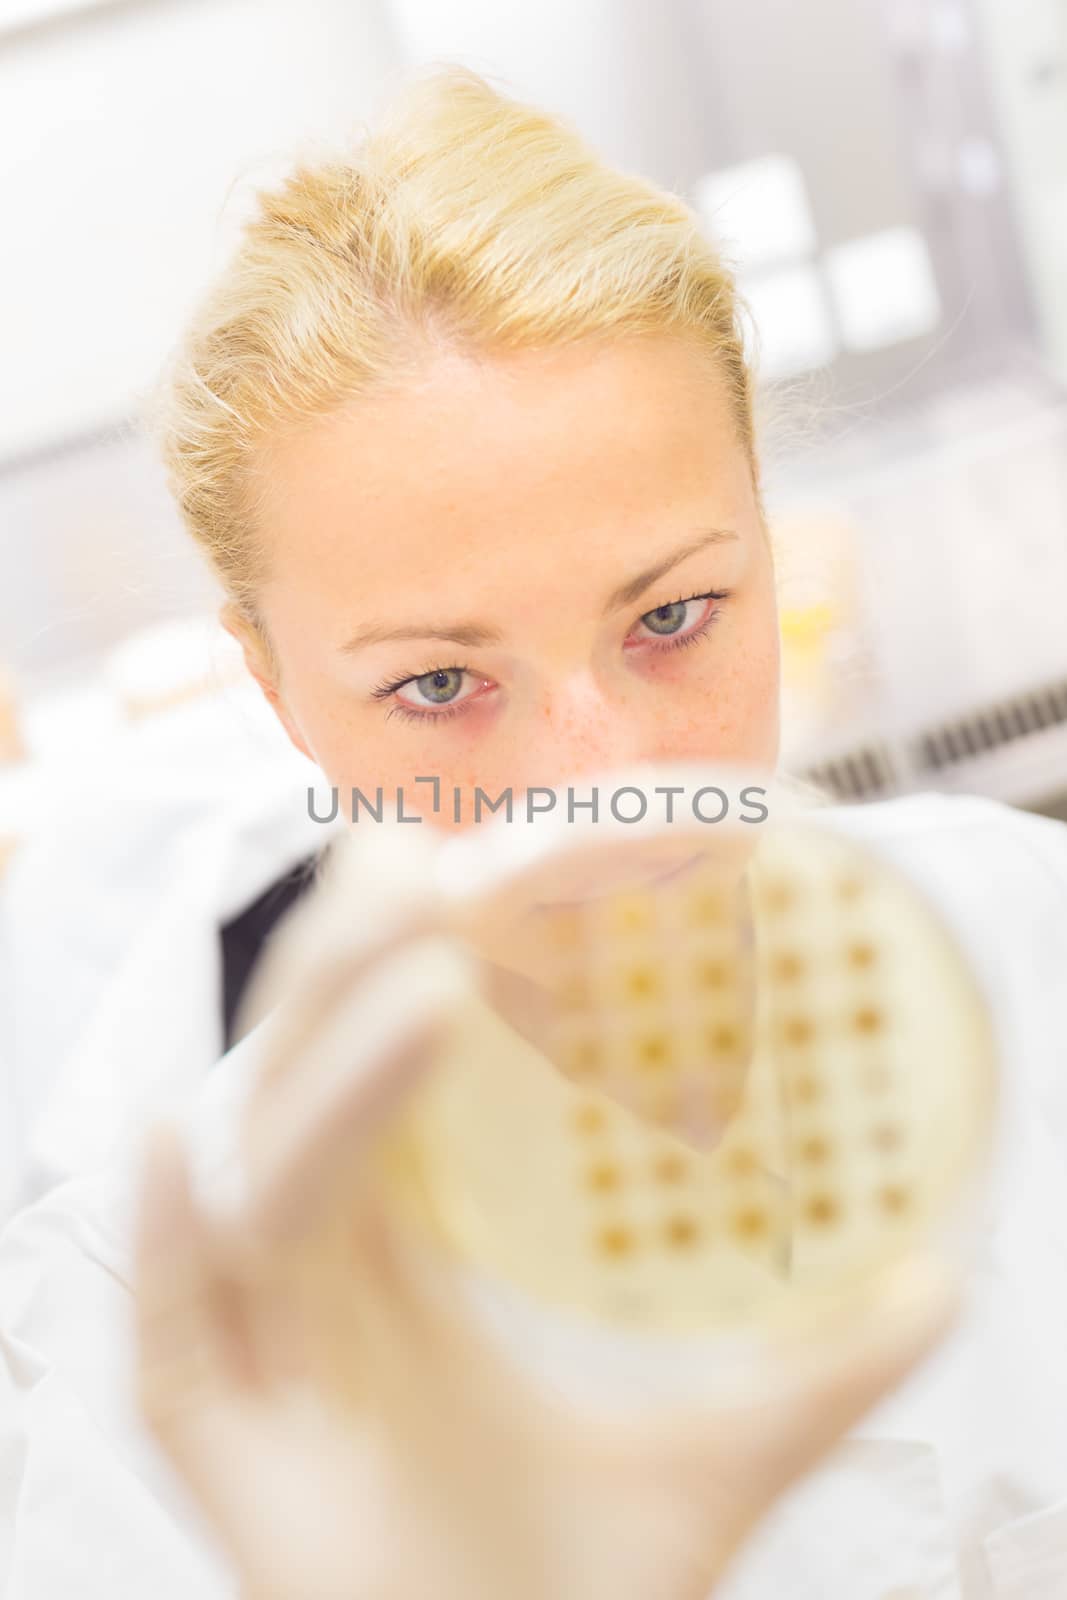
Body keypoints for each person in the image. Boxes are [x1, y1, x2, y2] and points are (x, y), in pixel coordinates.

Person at [2, 63, 1067, 1599]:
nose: (605, 778)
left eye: (675, 617)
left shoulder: (1031, 936)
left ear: (769, 536)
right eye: (440, 683)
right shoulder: (147, 1336)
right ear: (279, 691)